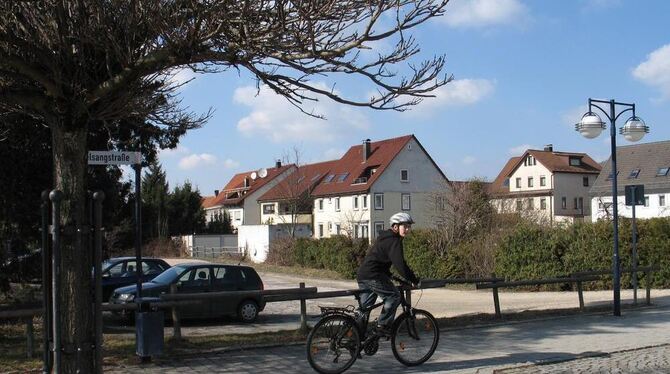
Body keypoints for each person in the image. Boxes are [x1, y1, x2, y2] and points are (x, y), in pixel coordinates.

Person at [356, 212, 420, 336]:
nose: (407, 230)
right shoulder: (394, 241)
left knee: (365, 310)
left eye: (409, 227)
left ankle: (355, 340)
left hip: (364, 275)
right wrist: (414, 279)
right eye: (405, 226)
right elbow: (400, 264)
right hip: (373, 276)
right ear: (395, 227)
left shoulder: (385, 237)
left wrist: (391, 275)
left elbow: (380, 259)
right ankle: (382, 326)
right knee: (394, 296)